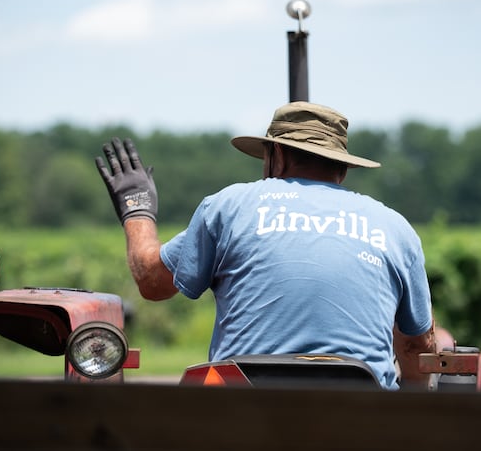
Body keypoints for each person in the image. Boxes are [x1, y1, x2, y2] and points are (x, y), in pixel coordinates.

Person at [95, 101, 436, 390]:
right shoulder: (394, 227)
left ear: (277, 156)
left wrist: (136, 208)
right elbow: (415, 346)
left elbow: (152, 281)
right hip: (359, 419)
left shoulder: (229, 208)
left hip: (241, 418)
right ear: (343, 171)